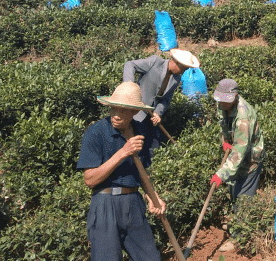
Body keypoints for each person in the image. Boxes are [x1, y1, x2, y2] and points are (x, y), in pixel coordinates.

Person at [76, 82, 166, 261]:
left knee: (150, 258)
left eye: (123, 110)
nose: (116, 115)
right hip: (104, 204)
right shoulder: (96, 132)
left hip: (133, 203)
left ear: (134, 112)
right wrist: (123, 152)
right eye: (114, 109)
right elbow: (90, 180)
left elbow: (141, 172)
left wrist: (152, 197)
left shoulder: (141, 130)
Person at [210, 78, 265, 205]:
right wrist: (226, 139)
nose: (221, 103)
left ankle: (242, 222)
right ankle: (234, 214)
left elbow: (240, 150)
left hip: (251, 158)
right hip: (236, 153)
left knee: (243, 200)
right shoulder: (223, 104)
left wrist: (221, 175)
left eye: (225, 100)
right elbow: (222, 120)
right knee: (233, 191)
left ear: (235, 96)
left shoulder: (243, 117)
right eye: (220, 99)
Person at [122, 48, 199, 125]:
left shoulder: (176, 79)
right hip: (134, 111)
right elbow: (130, 65)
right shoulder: (155, 62)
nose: (183, 72)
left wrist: (157, 113)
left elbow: (166, 100)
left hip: (149, 117)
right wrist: (129, 86)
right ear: (177, 63)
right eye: (184, 69)